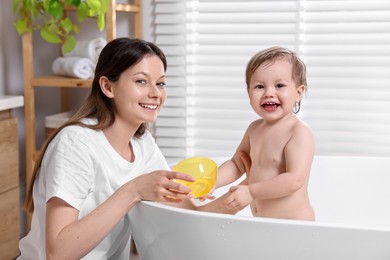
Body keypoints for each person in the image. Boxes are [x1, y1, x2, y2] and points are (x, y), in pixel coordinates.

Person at [17, 38, 236, 260]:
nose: (155, 93)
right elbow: (59, 253)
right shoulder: (75, 145)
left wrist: (241, 194)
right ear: (107, 86)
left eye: (160, 83)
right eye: (141, 81)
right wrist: (133, 191)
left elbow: (187, 213)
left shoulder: (143, 145)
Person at [215, 46, 316, 221]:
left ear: (298, 93)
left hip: (295, 226)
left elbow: (294, 179)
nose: (269, 93)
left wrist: (251, 191)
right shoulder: (254, 129)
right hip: (264, 224)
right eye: (260, 86)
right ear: (248, 93)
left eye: (279, 85)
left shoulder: (299, 132)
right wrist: (212, 182)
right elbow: (236, 164)